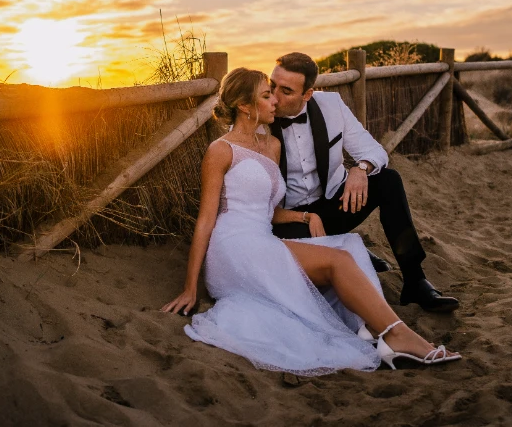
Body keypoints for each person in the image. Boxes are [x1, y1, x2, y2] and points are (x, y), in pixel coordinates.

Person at [162, 68, 460, 376]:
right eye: (267, 95)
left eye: (278, 93)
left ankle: (374, 327)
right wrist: (190, 288)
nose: (274, 100)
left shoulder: (272, 146)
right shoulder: (220, 150)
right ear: (244, 106)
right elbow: (206, 219)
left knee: (350, 245)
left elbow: (270, 211)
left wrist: (306, 215)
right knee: (338, 261)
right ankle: (398, 337)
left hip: (263, 238)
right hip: (234, 247)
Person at [269, 52, 459, 313]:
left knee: (388, 181)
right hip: (292, 221)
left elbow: (374, 150)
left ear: (308, 94)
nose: (274, 97)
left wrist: (360, 169)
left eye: (286, 91)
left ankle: (415, 280)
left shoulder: (332, 105)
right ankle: (349, 247)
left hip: (334, 205)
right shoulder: (259, 117)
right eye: (272, 86)